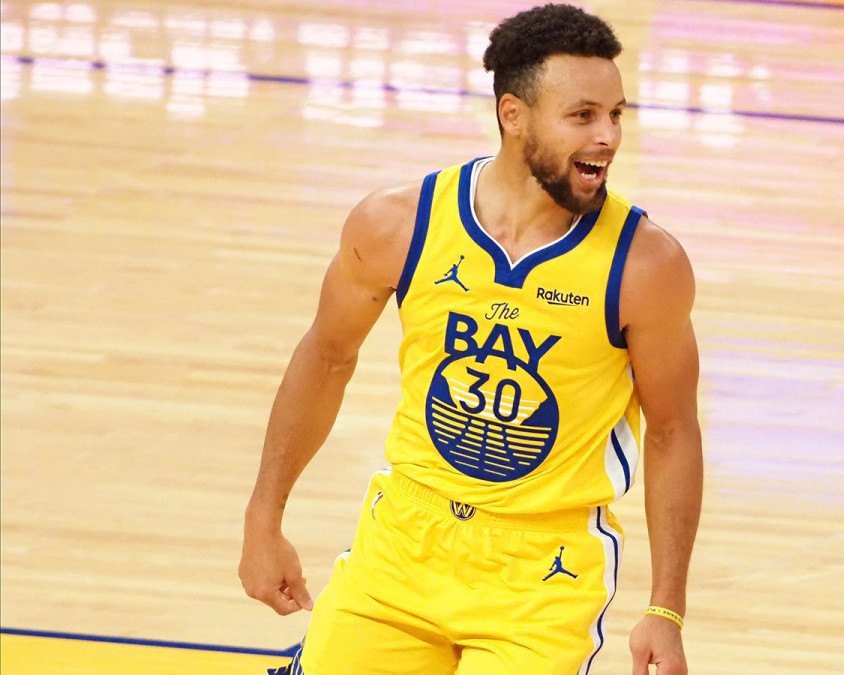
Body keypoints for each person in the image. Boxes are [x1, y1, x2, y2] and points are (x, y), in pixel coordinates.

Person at [238, 5, 703, 675]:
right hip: (403, 542)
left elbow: (671, 430)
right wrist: (264, 514)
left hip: (543, 570)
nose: (608, 136)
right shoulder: (398, 223)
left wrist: (666, 607)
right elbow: (327, 357)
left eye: (617, 114)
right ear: (513, 115)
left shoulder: (645, 265)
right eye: (583, 116)